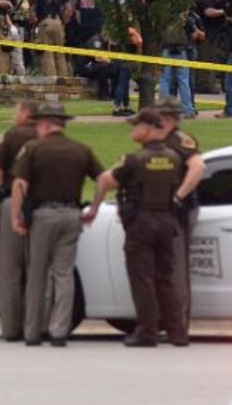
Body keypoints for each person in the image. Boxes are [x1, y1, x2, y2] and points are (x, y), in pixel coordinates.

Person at [86, 109, 187, 347]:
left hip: (141, 222)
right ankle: (177, 332)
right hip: (166, 220)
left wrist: (94, 207)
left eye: (136, 126)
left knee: (142, 279)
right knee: (166, 279)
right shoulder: (174, 158)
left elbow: (106, 181)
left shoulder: (134, 160)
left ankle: (147, 332)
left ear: (149, 128)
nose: (132, 130)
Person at [10, 102, 105, 346]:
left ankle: (33, 331)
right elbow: (103, 180)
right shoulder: (81, 149)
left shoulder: (33, 148)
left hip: (43, 216)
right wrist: (94, 207)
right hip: (71, 215)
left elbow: (19, 184)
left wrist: (15, 216)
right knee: (64, 274)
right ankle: (59, 330)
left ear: (45, 124)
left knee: (37, 274)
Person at [0, 100, 39, 340]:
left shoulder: (12, 137)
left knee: (10, 269)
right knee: (39, 267)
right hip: (45, 206)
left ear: (25, 113)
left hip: (14, 203)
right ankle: (39, 324)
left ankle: (12, 327)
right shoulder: (51, 136)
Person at [153, 98, 206, 333]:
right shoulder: (159, 141)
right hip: (161, 210)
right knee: (165, 268)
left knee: (176, 269)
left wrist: (179, 196)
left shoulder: (180, 141)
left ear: (166, 118)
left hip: (177, 211)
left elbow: (198, 167)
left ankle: (178, 324)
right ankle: (166, 321)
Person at [157, 9, 197, 117]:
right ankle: (188, 109)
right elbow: (194, 35)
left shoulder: (165, 18)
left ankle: (163, 109)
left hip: (166, 50)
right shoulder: (186, 20)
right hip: (181, 50)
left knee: (165, 80)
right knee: (183, 81)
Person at [33, 0, 70, 77]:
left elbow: (32, 9)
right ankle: (63, 79)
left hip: (45, 22)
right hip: (58, 22)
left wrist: (34, 22)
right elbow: (68, 8)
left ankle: (51, 80)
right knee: (60, 52)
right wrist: (64, 21)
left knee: (47, 52)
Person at [194, 0, 227, 93]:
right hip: (206, 34)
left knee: (212, 59)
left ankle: (208, 85)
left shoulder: (214, 0)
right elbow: (208, 12)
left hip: (213, 34)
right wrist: (224, 11)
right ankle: (203, 85)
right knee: (205, 59)